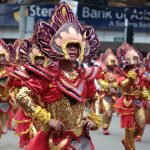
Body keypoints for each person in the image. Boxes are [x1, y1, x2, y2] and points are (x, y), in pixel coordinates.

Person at [16, 2, 101, 150]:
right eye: (69, 46)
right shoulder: (46, 75)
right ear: (57, 47)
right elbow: (22, 96)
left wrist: (94, 118)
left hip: (80, 137)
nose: (73, 49)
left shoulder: (85, 76)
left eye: (76, 46)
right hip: (54, 138)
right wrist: (47, 119)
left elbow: (95, 98)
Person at [115, 43, 145, 150]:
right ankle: (130, 147)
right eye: (134, 59)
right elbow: (123, 85)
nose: (136, 62)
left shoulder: (140, 72)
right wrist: (131, 77)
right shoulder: (121, 72)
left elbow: (142, 87)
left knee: (141, 124)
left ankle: (127, 140)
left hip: (138, 101)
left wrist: (147, 96)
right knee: (129, 128)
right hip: (127, 102)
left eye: (137, 59)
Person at [96, 49, 119, 135]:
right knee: (107, 111)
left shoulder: (117, 72)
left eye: (114, 62)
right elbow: (99, 80)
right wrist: (108, 86)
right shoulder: (103, 71)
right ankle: (105, 127)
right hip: (104, 94)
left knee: (111, 113)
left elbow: (119, 81)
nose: (113, 64)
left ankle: (107, 126)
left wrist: (114, 85)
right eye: (111, 62)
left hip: (113, 95)